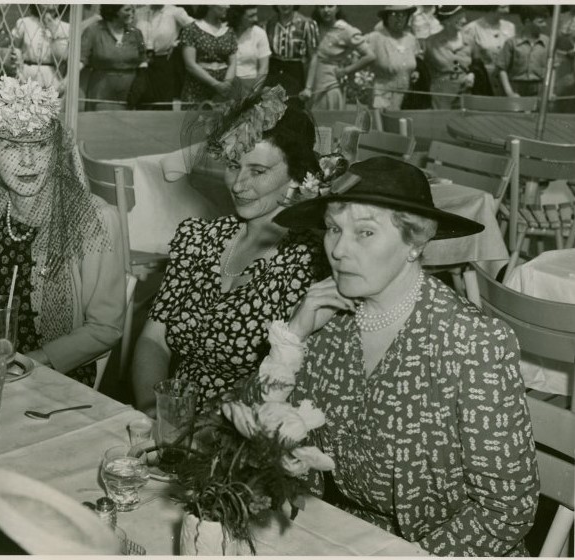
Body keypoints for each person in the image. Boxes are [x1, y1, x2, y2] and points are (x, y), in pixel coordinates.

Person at [242, 156, 539, 557]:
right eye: (333, 228)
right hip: (342, 533)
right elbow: (252, 434)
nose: (339, 250)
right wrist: (292, 336)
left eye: (364, 232)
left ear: (414, 243)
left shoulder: (473, 342)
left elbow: (507, 511)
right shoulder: (329, 322)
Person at [131, 85, 341, 416]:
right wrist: (152, 408)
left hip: (249, 431)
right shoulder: (198, 239)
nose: (239, 185)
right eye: (233, 165)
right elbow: (153, 340)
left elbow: (291, 382)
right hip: (174, 419)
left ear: (296, 175)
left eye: (258, 171)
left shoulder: (308, 262)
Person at [0, 76, 126, 386]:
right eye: (11, 147)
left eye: (40, 146)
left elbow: (105, 328)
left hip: (55, 378)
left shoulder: (94, 219)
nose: (28, 161)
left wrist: (28, 362)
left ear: (55, 152)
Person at [80, 4, 145, 111]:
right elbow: (81, 59)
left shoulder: (136, 33)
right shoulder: (94, 31)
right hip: (101, 91)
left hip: (130, 94)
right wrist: (67, 80)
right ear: (113, 10)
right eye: (127, 10)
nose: (132, 13)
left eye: (133, 10)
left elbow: (143, 60)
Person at [305, 12, 375, 110]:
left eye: (330, 6)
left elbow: (370, 56)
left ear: (337, 7)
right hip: (312, 86)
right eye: (322, 6)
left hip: (329, 86)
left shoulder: (344, 30)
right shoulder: (314, 27)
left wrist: (346, 71)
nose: (326, 10)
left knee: (326, 121)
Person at [134, 4, 193, 107]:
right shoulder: (139, 12)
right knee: (141, 101)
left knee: (162, 103)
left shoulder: (175, 11)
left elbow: (196, 29)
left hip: (164, 61)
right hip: (141, 61)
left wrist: (178, 43)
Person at [179, 5, 237, 105]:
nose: (228, 6)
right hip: (197, 89)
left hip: (223, 91)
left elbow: (233, 63)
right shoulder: (191, 29)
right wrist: (215, 84)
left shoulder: (229, 31)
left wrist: (226, 84)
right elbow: (190, 64)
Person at [367, 6, 421, 111]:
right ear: (386, 17)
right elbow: (357, 58)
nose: (399, 18)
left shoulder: (411, 39)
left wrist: (413, 72)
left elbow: (412, 60)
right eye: (394, 14)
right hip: (382, 97)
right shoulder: (375, 37)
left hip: (406, 96)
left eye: (403, 15)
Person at [11, 4, 69, 96]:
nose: (51, 6)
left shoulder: (65, 28)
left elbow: (65, 58)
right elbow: (15, 48)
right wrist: (18, 73)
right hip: (27, 72)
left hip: (52, 75)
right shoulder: (24, 23)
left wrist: (54, 33)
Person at [424, 5, 473, 110]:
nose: (464, 21)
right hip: (441, 94)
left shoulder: (469, 40)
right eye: (460, 17)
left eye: (464, 17)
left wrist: (471, 74)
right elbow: (421, 66)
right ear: (447, 21)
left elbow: (476, 64)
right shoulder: (431, 42)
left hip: (465, 92)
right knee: (441, 122)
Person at [264, 5, 318, 98]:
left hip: (295, 72)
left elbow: (313, 57)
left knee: (293, 108)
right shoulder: (269, 23)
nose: (285, 5)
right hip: (274, 71)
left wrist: (308, 88)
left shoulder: (306, 23)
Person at [497, 5, 550, 98]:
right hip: (516, 88)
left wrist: (548, 91)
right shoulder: (511, 43)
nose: (544, 25)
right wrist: (509, 92)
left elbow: (552, 69)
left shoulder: (547, 42)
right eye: (540, 22)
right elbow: (502, 69)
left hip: (539, 89)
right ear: (527, 22)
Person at [462, 5, 515, 96]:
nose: (507, 10)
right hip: (484, 82)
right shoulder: (471, 28)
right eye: (503, 7)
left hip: (506, 83)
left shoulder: (510, 27)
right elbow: (466, 58)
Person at [227, 5, 271, 94]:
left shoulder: (259, 33)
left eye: (255, 14)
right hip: (226, 85)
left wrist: (254, 90)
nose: (255, 19)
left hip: (250, 85)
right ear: (238, 16)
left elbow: (264, 67)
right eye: (251, 16)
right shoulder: (224, 31)